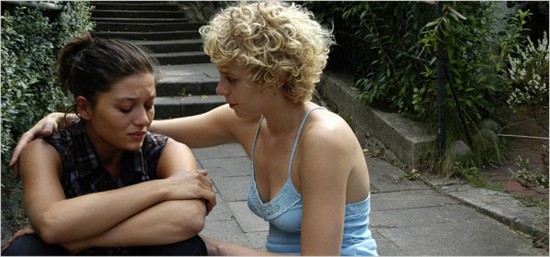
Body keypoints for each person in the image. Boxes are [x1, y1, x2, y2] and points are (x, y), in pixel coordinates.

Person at [9, 2, 378, 256]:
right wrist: (71, 117)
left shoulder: (323, 138)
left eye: (230, 79)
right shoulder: (245, 121)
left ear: (275, 77)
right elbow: (141, 128)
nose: (220, 90)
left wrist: (81, 240)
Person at [3, 33, 216, 255]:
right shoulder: (48, 150)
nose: (143, 119)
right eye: (126, 108)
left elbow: (189, 217)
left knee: (186, 246)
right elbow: (51, 223)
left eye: (149, 105)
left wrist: (79, 237)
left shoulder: (166, 151)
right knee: (25, 250)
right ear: (84, 108)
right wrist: (165, 187)